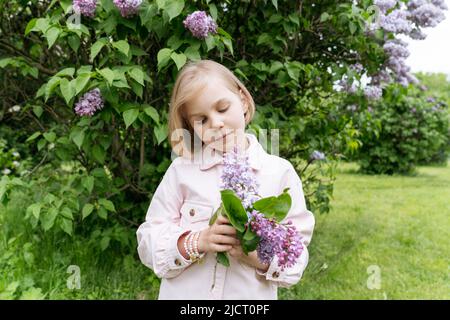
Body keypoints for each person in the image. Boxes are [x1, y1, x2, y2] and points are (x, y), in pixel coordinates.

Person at [136, 59, 315, 300]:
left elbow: (296, 257)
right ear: (190, 125)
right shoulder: (182, 172)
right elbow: (148, 243)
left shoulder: (279, 173)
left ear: (242, 100)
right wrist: (198, 241)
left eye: (222, 109)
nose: (216, 124)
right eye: (202, 119)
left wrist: (254, 256)